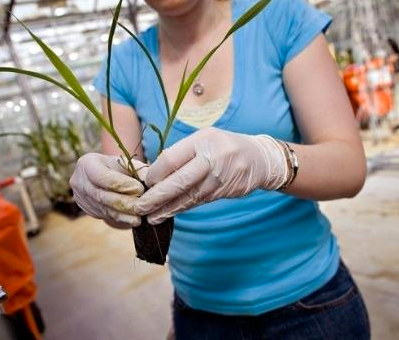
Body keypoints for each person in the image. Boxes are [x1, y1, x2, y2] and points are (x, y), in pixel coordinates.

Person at [70, 0, 370, 338]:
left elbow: (349, 167)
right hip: (199, 313)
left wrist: (271, 160)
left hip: (312, 304)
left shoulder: (280, 18)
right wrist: (101, 191)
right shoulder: (123, 65)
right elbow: (126, 204)